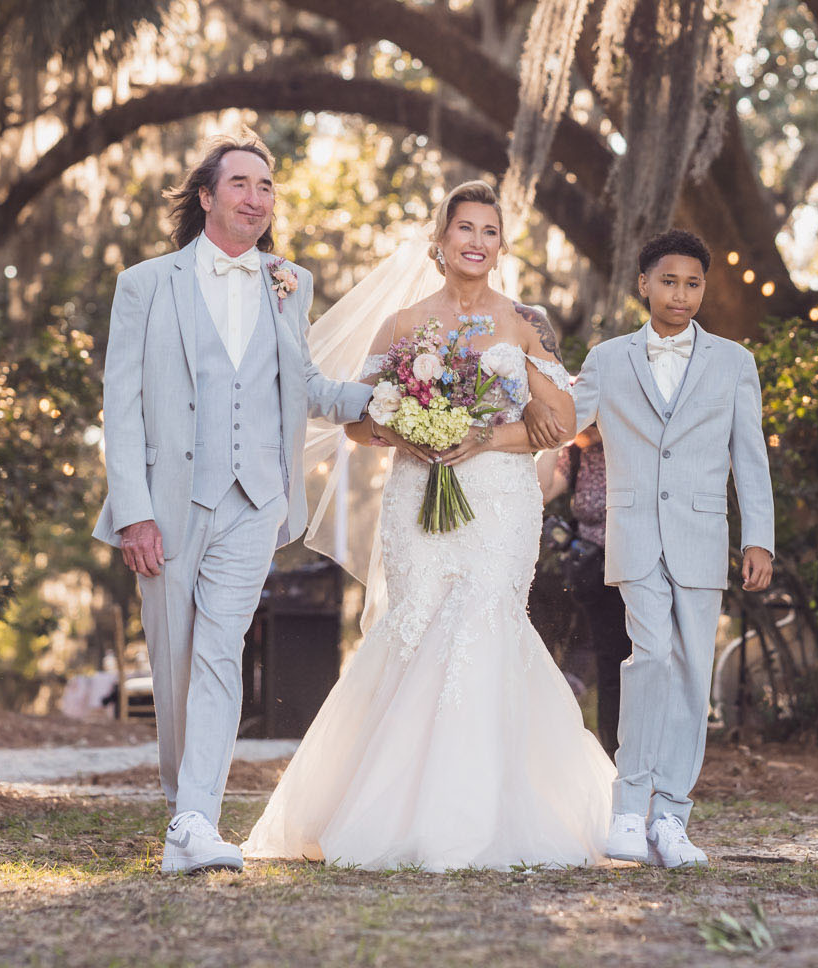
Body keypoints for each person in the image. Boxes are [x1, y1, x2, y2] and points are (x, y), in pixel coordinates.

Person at [243, 180, 614, 870]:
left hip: (499, 499)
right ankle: (380, 809)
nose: (476, 241)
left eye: (489, 231)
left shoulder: (521, 322)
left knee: (482, 619)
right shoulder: (402, 324)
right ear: (440, 241)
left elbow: (560, 423)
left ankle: (480, 815)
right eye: (464, 228)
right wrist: (410, 431)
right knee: (417, 622)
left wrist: (484, 439)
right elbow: (357, 421)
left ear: (501, 247)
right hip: (419, 492)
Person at [92, 134, 375, 875]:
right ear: (208, 196)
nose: (257, 197)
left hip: (257, 500)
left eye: (267, 186)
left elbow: (304, 384)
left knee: (220, 654)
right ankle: (183, 808)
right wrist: (133, 512)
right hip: (168, 504)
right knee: (175, 661)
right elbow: (120, 404)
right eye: (242, 184)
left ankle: (195, 820)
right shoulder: (146, 284)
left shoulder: (290, 282)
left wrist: (387, 397)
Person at [571, 229, 777, 870]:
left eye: (692, 283)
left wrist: (759, 538)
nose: (680, 294)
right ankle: (629, 808)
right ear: (643, 284)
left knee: (691, 674)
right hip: (633, 536)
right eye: (668, 281)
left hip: (702, 535)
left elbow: (750, 455)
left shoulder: (734, 363)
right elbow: (563, 423)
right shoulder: (607, 360)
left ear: (703, 289)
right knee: (650, 656)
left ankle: (672, 819)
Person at [541, 425, 629, 754]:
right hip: (598, 572)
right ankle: (615, 754)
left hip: (640, 567)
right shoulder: (577, 453)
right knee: (611, 665)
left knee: (647, 662)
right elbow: (542, 488)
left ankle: (649, 754)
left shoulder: (630, 443)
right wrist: (557, 435)